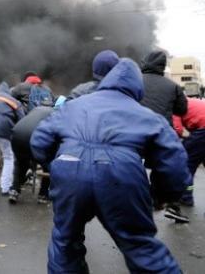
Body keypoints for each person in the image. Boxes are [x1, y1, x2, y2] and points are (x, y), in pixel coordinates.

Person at [31, 58, 190, 274]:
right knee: (141, 247)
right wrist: (161, 196)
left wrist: (58, 166)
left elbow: (39, 140)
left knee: (65, 240)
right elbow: (175, 163)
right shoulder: (147, 115)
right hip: (121, 175)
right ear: (136, 87)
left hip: (69, 169)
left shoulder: (74, 105)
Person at [140, 50, 189, 222]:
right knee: (167, 168)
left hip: (133, 133)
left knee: (129, 165)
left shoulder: (134, 81)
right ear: (163, 65)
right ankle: (172, 206)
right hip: (160, 135)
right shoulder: (172, 86)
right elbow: (182, 110)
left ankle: (136, 201)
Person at [0, 82, 25, 196]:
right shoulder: (13, 100)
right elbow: (22, 119)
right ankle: (5, 187)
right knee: (8, 157)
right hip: (5, 130)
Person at [9, 106, 54, 204]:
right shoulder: (55, 114)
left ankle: (14, 190)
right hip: (34, 136)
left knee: (20, 163)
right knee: (49, 165)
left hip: (17, 133)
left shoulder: (36, 109)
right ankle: (43, 195)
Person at [173, 97, 205, 207]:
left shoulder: (175, 105)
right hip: (201, 128)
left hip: (202, 131)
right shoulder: (190, 100)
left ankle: (186, 197)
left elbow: (177, 129)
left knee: (187, 163)